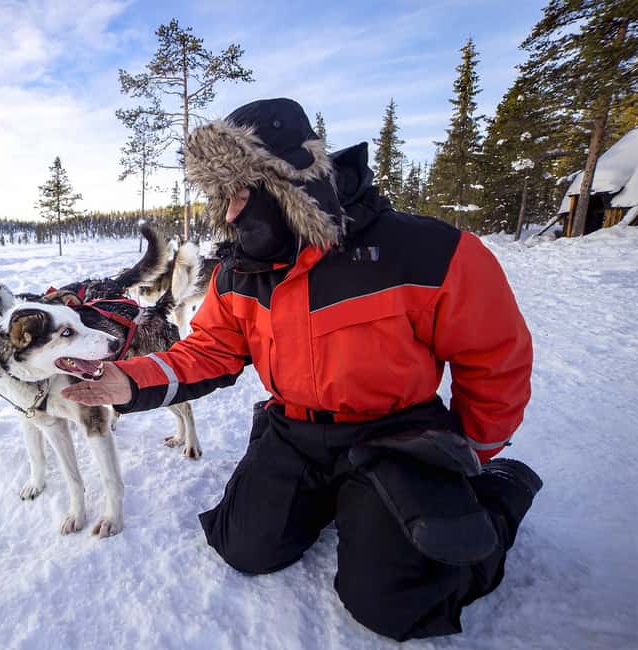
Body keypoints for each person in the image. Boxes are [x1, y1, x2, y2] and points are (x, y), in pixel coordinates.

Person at [61, 98, 542, 641]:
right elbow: (210, 351)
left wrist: (475, 450)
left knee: (395, 604)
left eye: (240, 195)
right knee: (242, 545)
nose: (230, 214)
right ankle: (350, 501)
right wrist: (132, 380)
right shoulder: (241, 273)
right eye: (225, 199)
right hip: (294, 430)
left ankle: (499, 494)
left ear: (285, 183)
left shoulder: (428, 250)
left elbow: (495, 357)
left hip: (398, 434)